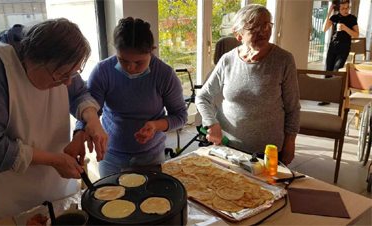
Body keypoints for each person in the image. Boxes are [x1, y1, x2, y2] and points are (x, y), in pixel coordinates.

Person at [0, 18, 108, 225]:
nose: (68, 82)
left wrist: (88, 123)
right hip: (5, 192)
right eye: (62, 75)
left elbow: (80, 94)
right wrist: (53, 160)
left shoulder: (60, 62)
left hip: (56, 184)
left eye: (73, 73)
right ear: (33, 59)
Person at [81, 17, 187, 177]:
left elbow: (180, 116)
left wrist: (156, 125)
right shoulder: (103, 71)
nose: (130, 68)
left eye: (139, 62)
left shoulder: (164, 75)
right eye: (122, 60)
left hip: (150, 158)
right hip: (111, 156)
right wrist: (80, 133)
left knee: (150, 199)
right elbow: (87, 110)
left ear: (152, 50)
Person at [195, 4, 300, 165]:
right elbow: (203, 96)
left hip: (267, 151)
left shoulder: (283, 60)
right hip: (227, 147)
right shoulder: (227, 60)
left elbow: (293, 108)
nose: (263, 31)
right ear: (238, 35)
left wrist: (290, 142)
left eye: (266, 25)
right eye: (254, 27)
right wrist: (211, 123)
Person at [319, 0, 359, 105]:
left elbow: (356, 34)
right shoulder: (335, 17)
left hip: (344, 49)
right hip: (332, 48)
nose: (346, 10)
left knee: (336, 72)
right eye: (343, 8)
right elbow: (324, 29)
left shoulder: (352, 19)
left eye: (347, 8)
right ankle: (326, 98)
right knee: (328, 72)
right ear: (339, 8)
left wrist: (345, 28)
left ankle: (337, 96)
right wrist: (329, 12)